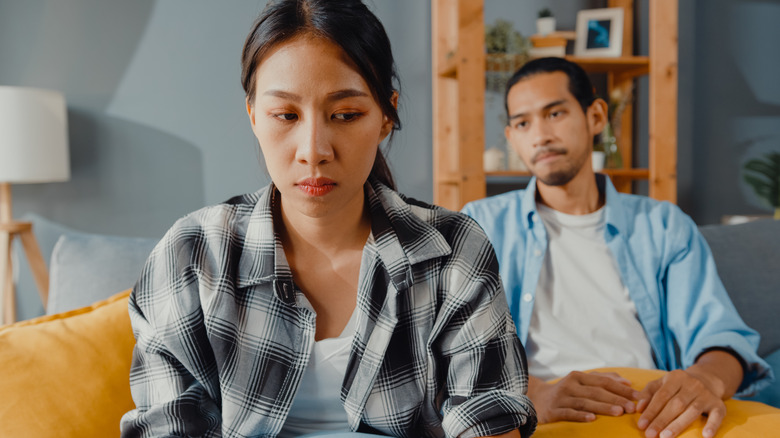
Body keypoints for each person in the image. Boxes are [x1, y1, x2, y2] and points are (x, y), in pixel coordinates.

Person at [120, 1, 536, 437]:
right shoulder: (190, 255)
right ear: (253, 116)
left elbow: (488, 419)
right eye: (286, 115)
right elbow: (167, 426)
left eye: (345, 115)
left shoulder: (454, 250)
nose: (314, 149)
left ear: (386, 116)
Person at [462, 57, 772, 438]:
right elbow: (453, 350)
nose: (540, 135)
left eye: (555, 113)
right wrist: (532, 394)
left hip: (652, 410)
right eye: (523, 123)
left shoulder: (662, 224)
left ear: (595, 116)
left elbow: (721, 336)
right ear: (511, 138)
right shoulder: (479, 224)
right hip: (546, 412)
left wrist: (705, 379)